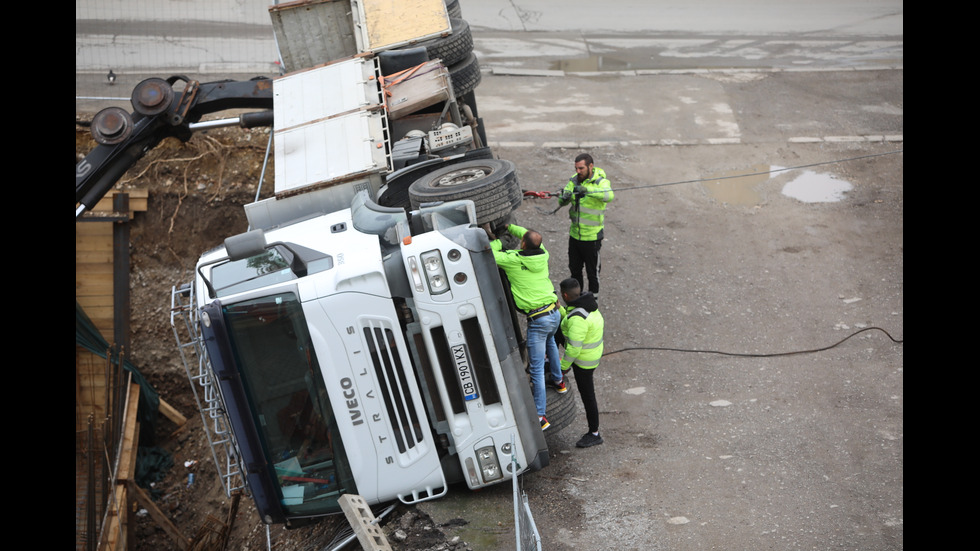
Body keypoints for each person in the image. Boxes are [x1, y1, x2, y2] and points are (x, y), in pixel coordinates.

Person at [483, 223, 565, 430]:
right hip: (554, 313)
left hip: (538, 319)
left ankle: (540, 415)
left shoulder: (512, 260)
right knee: (552, 344)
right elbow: (532, 236)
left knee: (536, 369)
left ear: (522, 244)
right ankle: (559, 381)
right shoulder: (543, 254)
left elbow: (491, 253)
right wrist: (511, 226)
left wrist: (499, 239)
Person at [557, 153, 614, 298]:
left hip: (592, 237)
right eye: (576, 168)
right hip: (575, 235)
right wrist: (563, 198)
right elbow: (562, 202)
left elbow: (609, 196)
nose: (578, 171)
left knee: (592, 273)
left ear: (590, 166)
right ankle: (577, 298)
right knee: (575, 270)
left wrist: (587, 190)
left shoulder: (601, 182)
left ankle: (593, 301)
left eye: (581, 168)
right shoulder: (574, 180)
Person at [558, 278, 605, 447]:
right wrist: (561, 311)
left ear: (565, 295)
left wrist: (562, 368)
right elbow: (572, 317)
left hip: (584, 362)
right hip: (592, 353)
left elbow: (573, 350)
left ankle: (594, 433)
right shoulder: (588, 304)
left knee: (588, 396)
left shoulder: (577, 319)